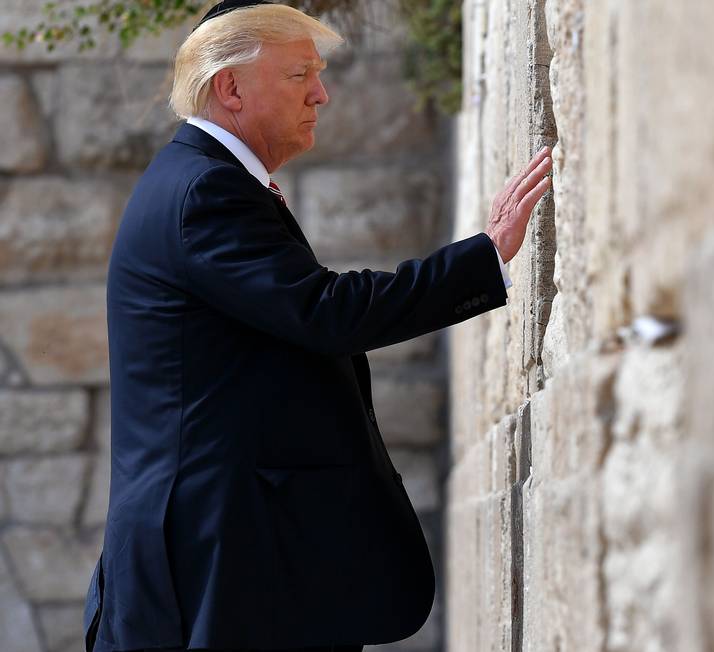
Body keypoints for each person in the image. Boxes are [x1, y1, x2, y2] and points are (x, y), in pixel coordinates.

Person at [81, 1, 552, 651]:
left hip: (238, 561)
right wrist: (484, 256)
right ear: (231, 88)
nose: (321, 95)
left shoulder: (205, 181)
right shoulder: (203, 194)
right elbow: (326, 311)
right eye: (300, 75)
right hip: (216, 572)